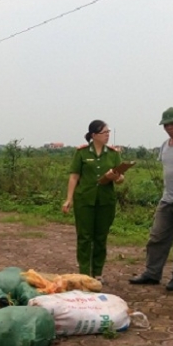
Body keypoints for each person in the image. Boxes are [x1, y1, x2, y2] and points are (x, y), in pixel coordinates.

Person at [130, 108, 173, 291]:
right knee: (157, 237)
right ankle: (152, 273)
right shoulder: (165, 145)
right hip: (167, 198)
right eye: (166, 125)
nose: (169, 128)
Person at [62, 120, 124, 281]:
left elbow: (120, 179)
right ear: (94, 135)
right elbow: (74, 176)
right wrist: (69, 199)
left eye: (109, 132)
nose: (108, 135)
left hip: (105, 201)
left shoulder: (113, 153)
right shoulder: (81, 153)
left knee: (100, 237)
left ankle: (97, 273)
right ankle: (83, 273)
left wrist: (115, 177)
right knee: (84, 237)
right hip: (84, 200)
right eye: (105, 133)